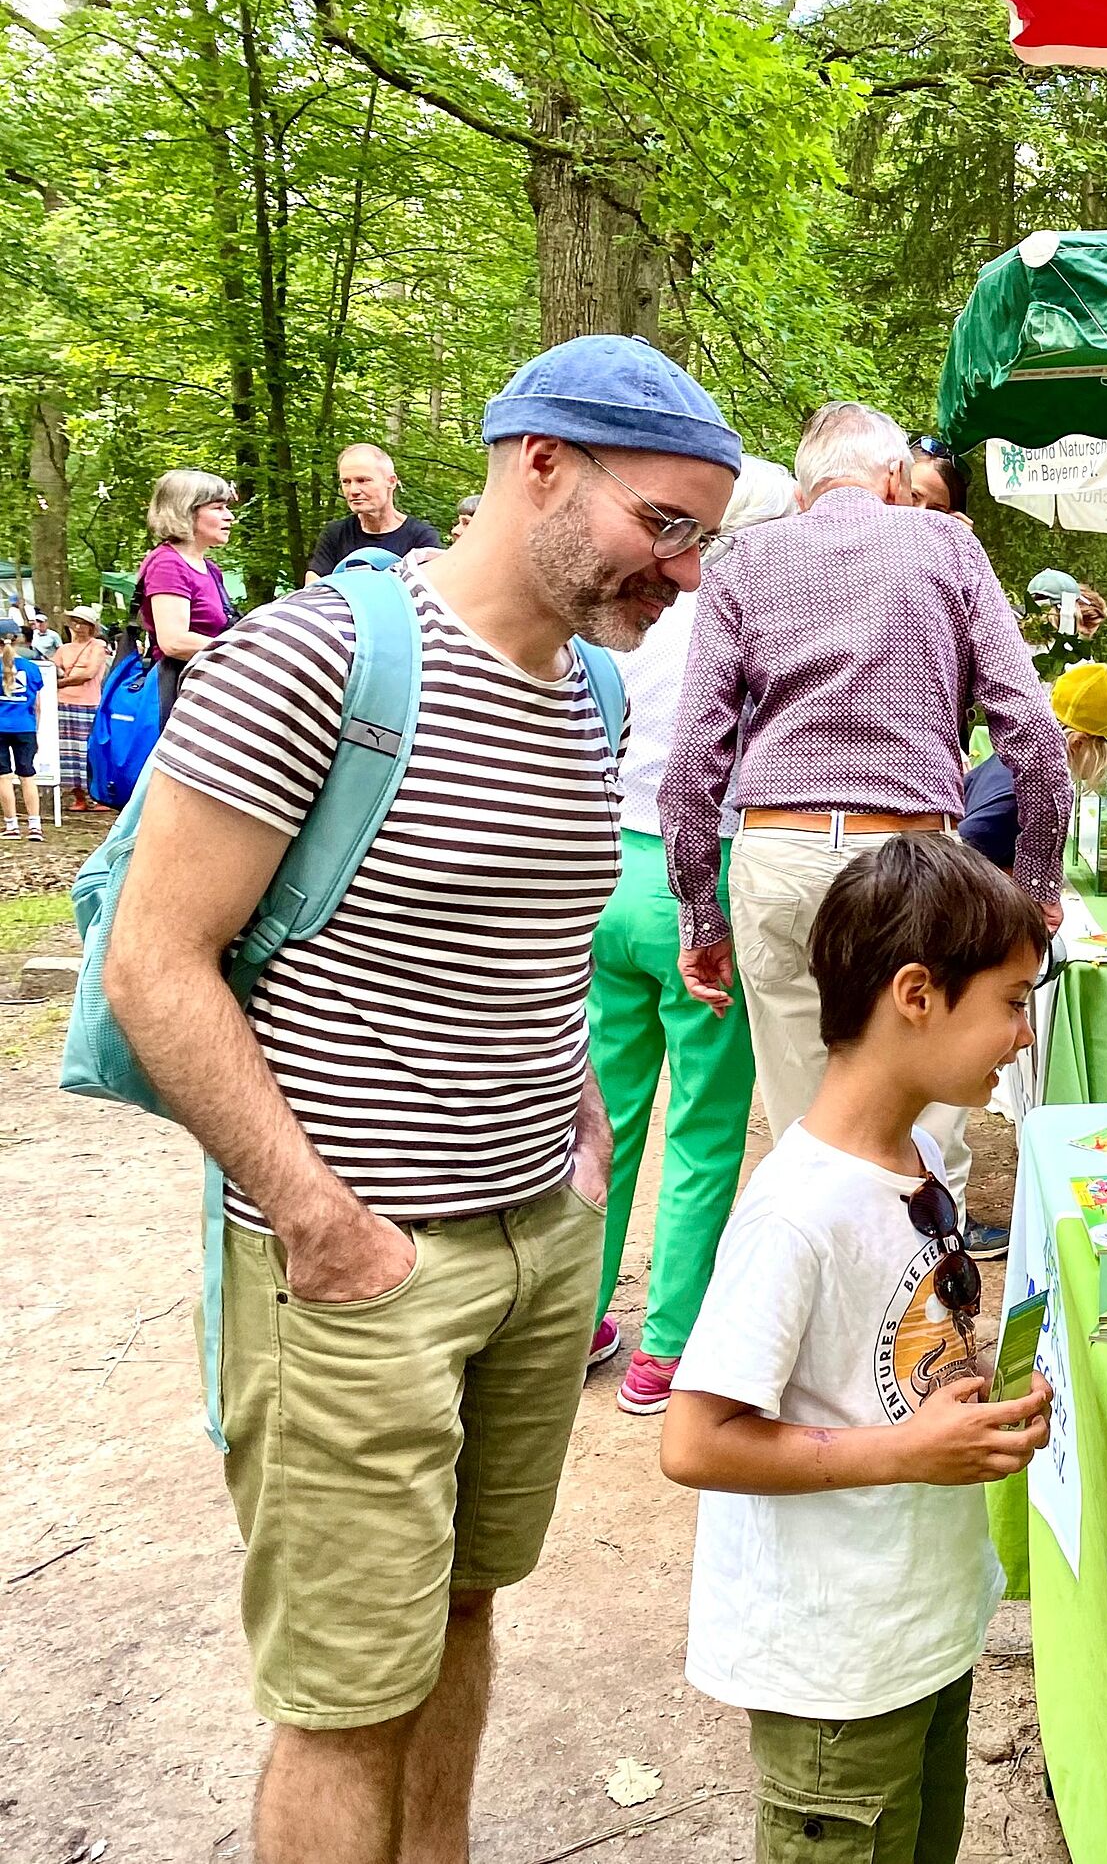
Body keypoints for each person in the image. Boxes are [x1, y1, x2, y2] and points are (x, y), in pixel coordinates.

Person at [103, 333, 741, 1864]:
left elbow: (519, 933)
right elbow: (155, 962)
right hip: (355, 1264)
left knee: (459, 1611)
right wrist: (318, 1222)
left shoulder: (588, 689)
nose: (688, 573)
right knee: (344, 1692)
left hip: (535, 1248)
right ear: (541, 469)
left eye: (706, 539)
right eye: (667, 526)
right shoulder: (317, 654)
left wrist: (581, 1116)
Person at [660, 833, 1054, 1864]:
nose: (1021, 1034)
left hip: (918, 1633)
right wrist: (907, 1453)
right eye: (1011, 1002)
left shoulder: (911, 1152)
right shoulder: (797, 1212)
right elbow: (695, 1441)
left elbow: (890, 1362)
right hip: (835, 1676)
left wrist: (975, 1411)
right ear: (917, 992)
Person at [661, 401, 1071, 1251]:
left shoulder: (742, 560)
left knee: (811, 1133)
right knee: (928, 1124)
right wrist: (1036, 885)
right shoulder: (947, 545)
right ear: (894, 478)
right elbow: (1032, 730)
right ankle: (920, 1341)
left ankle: (820, 1360)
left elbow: (692, 762)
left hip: (778, 852)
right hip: (912, 861)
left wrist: (700, 918)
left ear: (805, 490)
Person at [589, 455, 796, 1418]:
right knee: (707, 1126)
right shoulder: (758, 627)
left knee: (606, 1116)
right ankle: (667, 1346)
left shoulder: (644, 622)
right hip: (699, 877)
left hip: (609, 877)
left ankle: (576, 1316)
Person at [137, 468, 239, 724]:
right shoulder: (168, 564)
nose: (230, 516)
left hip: (204, 687)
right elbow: (174, 642)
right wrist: (244, 649)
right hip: (179, 695)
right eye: (218, 508)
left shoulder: (209, 568)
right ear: (186, 511)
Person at [305, 443, 444, 583]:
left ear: (391, 481)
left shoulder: (421, 538)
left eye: (363, 480)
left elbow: (432, 592)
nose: (353, 490)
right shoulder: (336, 534)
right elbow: (313, 583)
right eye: (346, 482)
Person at [55, 605, 110, 812]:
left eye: (83, 623)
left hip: (88, 703)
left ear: (91, 627)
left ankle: (99, 796)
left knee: (90, 750)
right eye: (75, 622)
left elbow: (89, 673)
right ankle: (78, 797)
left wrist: (62, 682)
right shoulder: (63, 649)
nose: (78, 627)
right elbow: (53, 668)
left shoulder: (97, 646)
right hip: (63, 703)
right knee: (67, 752)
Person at [0, 620, 41, 841]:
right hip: (25, 726)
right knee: (28, 774)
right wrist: (37, 730)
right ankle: (35, 826)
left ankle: (11, 825)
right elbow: (37, 705)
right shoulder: (32, 668)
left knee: (3, 777)